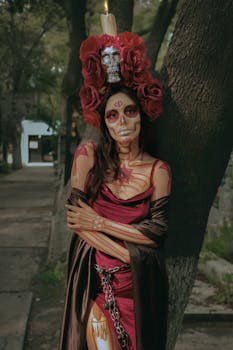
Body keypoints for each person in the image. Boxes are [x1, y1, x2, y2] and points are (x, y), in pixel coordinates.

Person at [59, 33, 172, 350]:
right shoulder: (88, 158)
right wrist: (126, 251)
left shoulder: (158, 170)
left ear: (141, 115)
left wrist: (101, 224)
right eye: (112, 114)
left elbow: (157, 232)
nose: (122, 121)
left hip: (139, 291)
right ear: (104, 123)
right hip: (101, 286)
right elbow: (75, 221)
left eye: (130, 112)